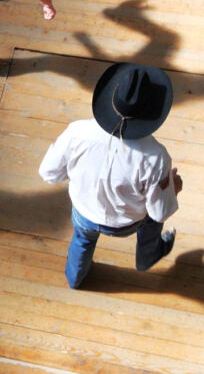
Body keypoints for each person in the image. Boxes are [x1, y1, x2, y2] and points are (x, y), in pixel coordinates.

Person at [39, 62, 182, 289]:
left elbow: (49, 173)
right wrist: (172, 187)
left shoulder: (77, 132)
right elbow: (160, 211)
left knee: (82, 242)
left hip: (84, 213)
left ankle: (75, 279)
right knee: (152, 222)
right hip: (128, 222)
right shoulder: (156, 157)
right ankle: (147, 256)